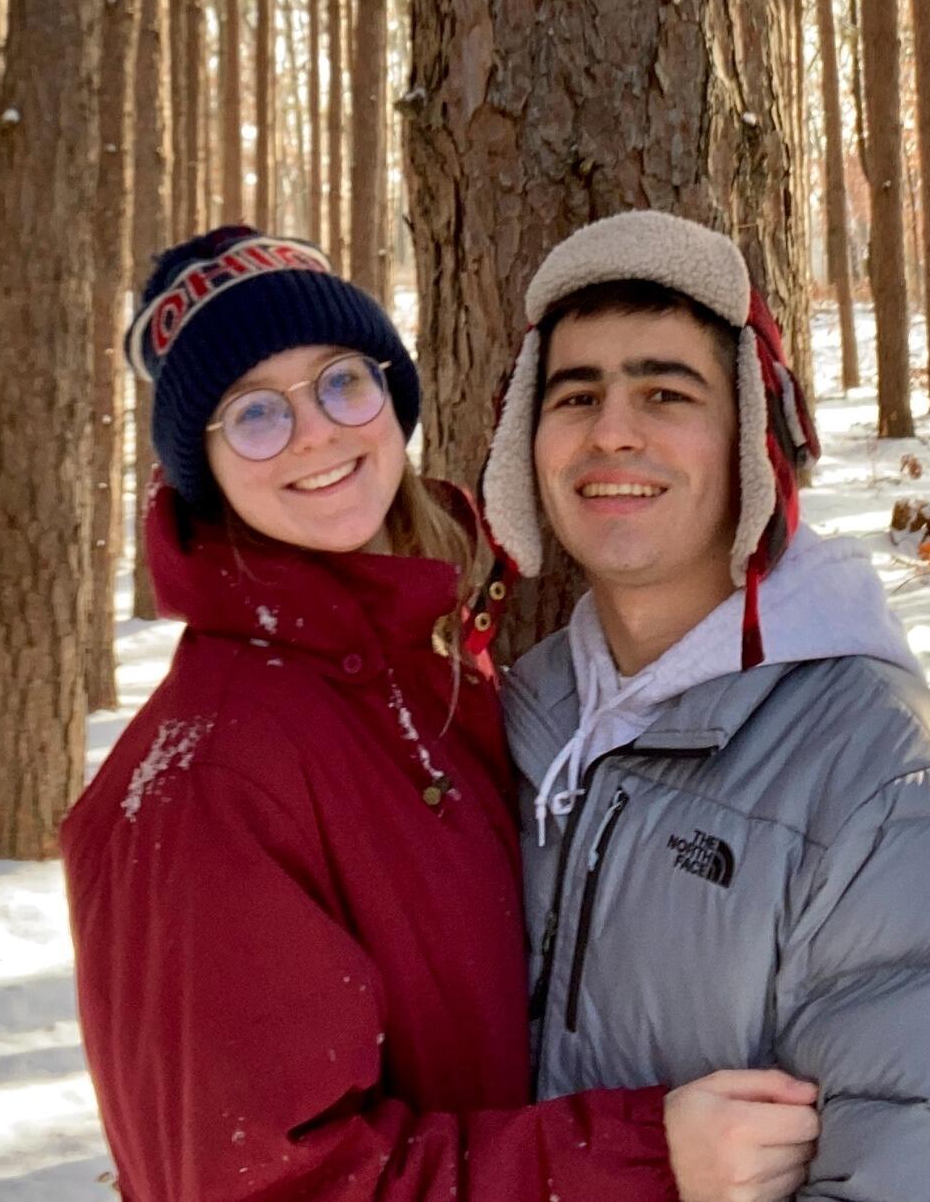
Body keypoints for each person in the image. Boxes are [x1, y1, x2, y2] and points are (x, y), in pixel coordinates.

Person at [63, 222, 822, 1202]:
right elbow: (272, 1188)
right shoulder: (206, 781)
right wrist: (639, 1157)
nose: (317, 432)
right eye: (255, 413)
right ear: (201, 468)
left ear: (389, 393)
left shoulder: (425, 673)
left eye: (341, 380)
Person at [480, 208, 930, 1201]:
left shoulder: (908, 797)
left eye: (666, 392)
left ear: (755, 443)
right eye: (575, 394)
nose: (612, 430)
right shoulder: (512, 726)